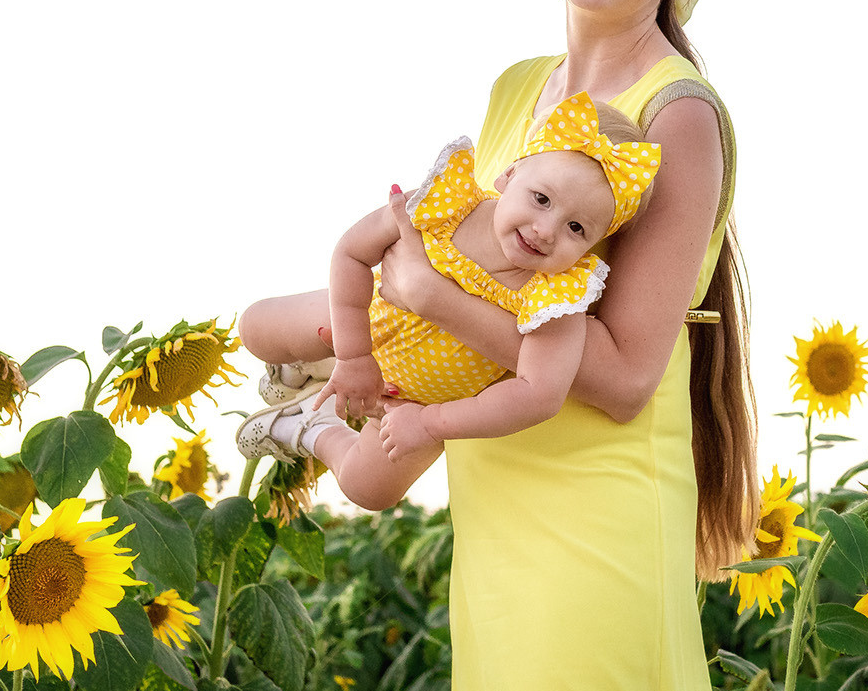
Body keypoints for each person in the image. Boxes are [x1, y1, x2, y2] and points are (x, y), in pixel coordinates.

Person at [374, 0, 756, 691]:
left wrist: (428, 297)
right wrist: (359, 341)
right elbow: (472, 277)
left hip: (594, 515)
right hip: (498, 498)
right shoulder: (514, 88)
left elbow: (628, 373)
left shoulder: (677, 116)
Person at [234, 92, 662, 510]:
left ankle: (308, 427)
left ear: (595, 244)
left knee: (368, 490)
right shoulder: (445, 205)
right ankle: (317, 366)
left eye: (576, 227)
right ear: (509, 175)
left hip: (418, 402)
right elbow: (352, 251)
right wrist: (353, 355)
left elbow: (539, 395)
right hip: (364, 324)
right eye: (541, 199)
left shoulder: (558, 298)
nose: (546, 230)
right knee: (255, 328)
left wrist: (428, 423)